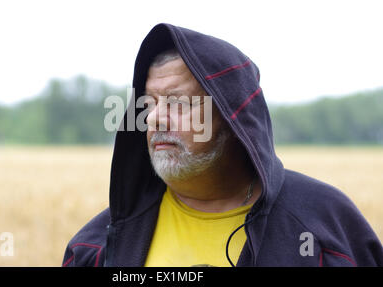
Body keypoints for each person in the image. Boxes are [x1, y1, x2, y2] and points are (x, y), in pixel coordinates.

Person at [62, 23, 383, 267]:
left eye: (178, 102)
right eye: (149, 103)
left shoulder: (324, 228)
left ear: (234, 120)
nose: (155, 118)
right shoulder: (94, 249)